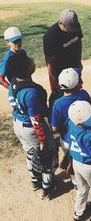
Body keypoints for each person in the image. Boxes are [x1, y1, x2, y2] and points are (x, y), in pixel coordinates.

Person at [8, 54, 58, 199]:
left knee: (31, 154)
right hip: (31, 128)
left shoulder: (13, 81)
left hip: (18, 125)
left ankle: (35, 182)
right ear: (26, 69)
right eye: (30, 60)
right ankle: (47, 188)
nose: (33, 60)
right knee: (47, 156)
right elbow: (36, 120)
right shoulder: (32, 92)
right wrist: (42, 141)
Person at [51, 67, 91, 185]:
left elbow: (54, 128)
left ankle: (75, 181)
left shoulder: (58, 104)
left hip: (68, 139)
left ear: (60, 85)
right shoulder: (84, 94)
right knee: (84, 155)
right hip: (83, 134)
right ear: (77, 82)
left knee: (71, 160)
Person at [43, 9, 83, 92]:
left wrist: (79, 62)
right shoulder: (50, 36)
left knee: (76, 90)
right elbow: (49, 61)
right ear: (61, 23)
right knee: (59, 94)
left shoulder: (75, 26)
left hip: (73, 65)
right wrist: (54, 79)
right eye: (69, 28)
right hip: (59, 69)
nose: (72, 31)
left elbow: (79, 43)